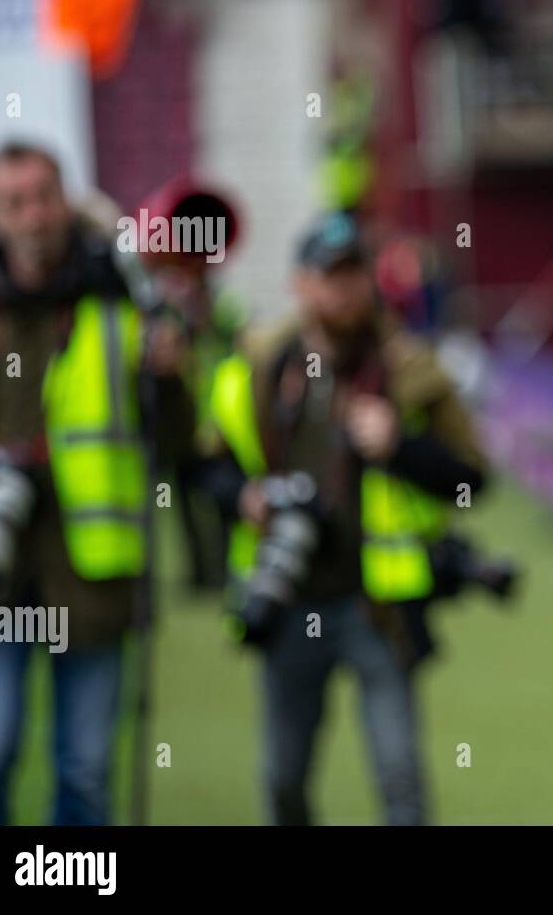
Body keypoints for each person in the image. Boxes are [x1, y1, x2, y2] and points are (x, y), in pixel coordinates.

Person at [206, 212, 491, 825]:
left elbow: (472, 480)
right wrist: (246, 500)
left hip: (377, 608)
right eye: (331, 276)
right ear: (301, 285)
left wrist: (399, 446)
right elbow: (210, 468)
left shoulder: (410, 367)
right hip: (287, 599)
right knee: (283, 782)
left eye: (355, 274)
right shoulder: (259, 364)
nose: (346, 289)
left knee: (400, 782)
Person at [0, 141, 192, 825]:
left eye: (44, 196)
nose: (34, 216)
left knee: (87, 770)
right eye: (16, 202)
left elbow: (175, 446)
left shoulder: (122, 301)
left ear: (65, 199)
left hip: (91, 574)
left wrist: (169, 376)